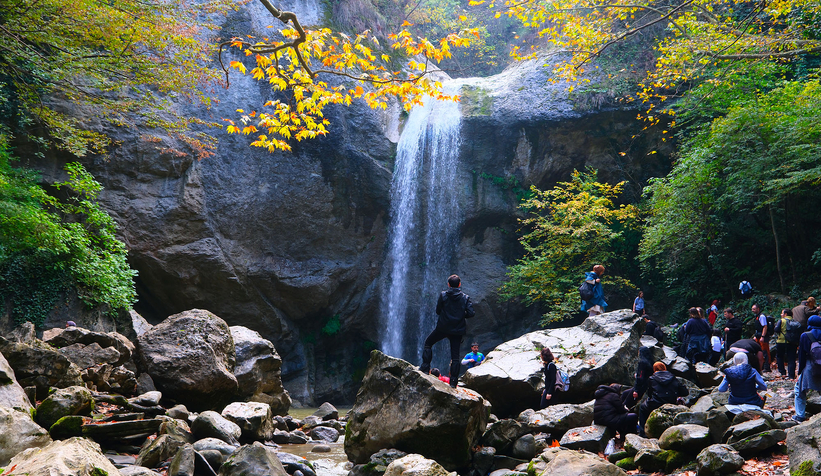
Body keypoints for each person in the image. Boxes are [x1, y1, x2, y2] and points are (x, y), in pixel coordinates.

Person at [419, 274, 475, 388]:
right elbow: (471, 313)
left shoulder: (443, 295)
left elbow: (438, 311)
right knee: (455, 356)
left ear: (448, 284)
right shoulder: (465, 298)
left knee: (428, 343)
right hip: (457, 330)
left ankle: (425, 368)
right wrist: (460, 315)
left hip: (443, 328)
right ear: (459, 284)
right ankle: (453, 382)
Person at [638, 362, 688, 436]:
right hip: (671, 403)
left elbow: (649, 394)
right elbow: (685, 392)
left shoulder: (652, 378)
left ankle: (642, 433)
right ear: (664, 368)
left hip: (656, 403)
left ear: (654, 369)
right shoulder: (673, 378)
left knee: (642, 408)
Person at [793, 314, 821, 422]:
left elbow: (802, 355)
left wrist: (800, 371)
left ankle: (800, 416)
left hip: (810, 366)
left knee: (799, 390)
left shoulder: (805, 335)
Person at [774, 308, 799, 379]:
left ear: (785, 314)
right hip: (792, 342)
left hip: (781, 341)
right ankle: (791, 375)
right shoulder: (795, 322)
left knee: (780, 357)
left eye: (782, 313)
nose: (781, 314)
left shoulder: (782, 321)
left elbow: (776, 330)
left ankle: (783, 373)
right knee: (791, 358)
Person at [752, 304, 773, 372]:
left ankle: (767, 367)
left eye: (754, 309)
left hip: (763, 337)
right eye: (752, 309)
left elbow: (765, 327)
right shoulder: (757, 316)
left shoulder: (762, 316)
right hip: (758, 336)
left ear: (758, 309)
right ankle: (762, 366)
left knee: (765, 351)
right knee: (759, 351)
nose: (753, 310)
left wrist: (763, 336)